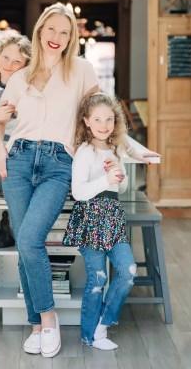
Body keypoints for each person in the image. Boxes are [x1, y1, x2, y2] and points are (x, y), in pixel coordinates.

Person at [0, 3, 158, 359]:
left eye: (65, 33)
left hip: (57, 164)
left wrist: (134, 149)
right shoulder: (20, 76)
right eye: (51, 30)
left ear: (72, 38)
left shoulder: (81, 69)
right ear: (39, 32)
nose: (57, 38)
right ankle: (38, 323)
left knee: (31, 237)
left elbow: (103, 112)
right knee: (25, 244)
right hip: (19, 160)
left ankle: (46, 319)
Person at [62, 92, 137, 350]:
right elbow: (79, 192)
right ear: (87, 121)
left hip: (113, 220)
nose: (104, 125)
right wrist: (105, 179)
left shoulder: (116, 150)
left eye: (109, 119)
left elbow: (123, 188)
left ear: (115, 122)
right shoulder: (85, 151)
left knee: (128, 271)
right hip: (91, 220)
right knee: (98, 278)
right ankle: (88, 335)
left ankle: (103, 325)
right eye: (97, 119)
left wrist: (117, 174)